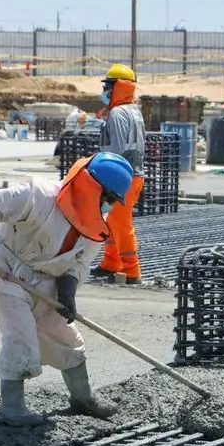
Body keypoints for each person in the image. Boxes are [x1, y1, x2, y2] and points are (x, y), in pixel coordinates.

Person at [0, 152, 135, 427]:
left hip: (47, 280)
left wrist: (68, 288)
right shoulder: (39, 196)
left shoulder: (94, 229)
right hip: (8, 270)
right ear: (91, 188)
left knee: (65, 337)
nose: (108, 207)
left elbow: (80, 264)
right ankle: (12, 407)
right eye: (108, 199)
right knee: (21, 333)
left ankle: (83, 397)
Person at [90, 64, 147, 285]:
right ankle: (111, 263)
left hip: (121, 176)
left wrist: (104, 170)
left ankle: (132, 270)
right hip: (133, 175)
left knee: (121, 223)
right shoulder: (134, 111)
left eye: (108, 86)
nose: (105, 91)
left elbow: (117, 148)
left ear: (119, 87)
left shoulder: (118, 113)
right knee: (113, 221)